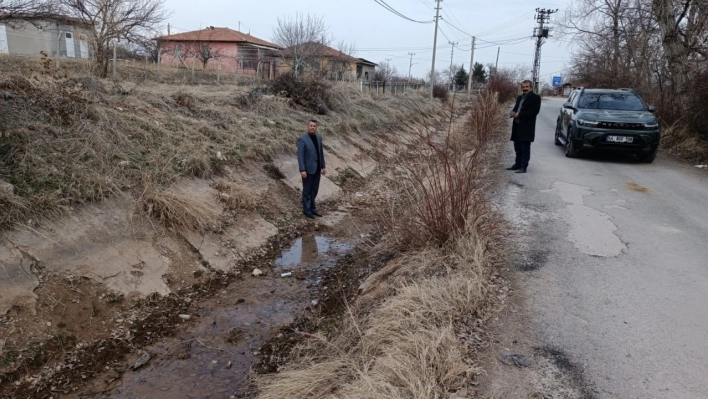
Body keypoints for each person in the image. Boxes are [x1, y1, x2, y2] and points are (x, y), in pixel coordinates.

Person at [507, 80, 541, 173]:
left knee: (525, 147)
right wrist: (512, 113)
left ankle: (523, 166)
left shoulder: (536, 98)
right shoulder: (519, 98)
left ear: (531, 87)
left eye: (527, 87)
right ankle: (517, 164)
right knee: (517, 147)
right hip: (517, 125)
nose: (525, 89)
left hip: (527, 127)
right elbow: (515, 109)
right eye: (523, 87)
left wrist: (520, 115)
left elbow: (535, 112)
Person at [297, 119, 327, 219]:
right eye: (311, 125)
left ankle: (313, 209)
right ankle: (307, 210)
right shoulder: (302, 139)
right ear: (307, 126)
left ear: (316, 127)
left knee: (314, 189)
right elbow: (300, 156)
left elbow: (320, 154)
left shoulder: (318, 138)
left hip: (317, 169)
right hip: (308, 170)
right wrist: (302, 169)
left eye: (314, 126)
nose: (312, 127)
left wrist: (323, 166)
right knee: (307, 190)